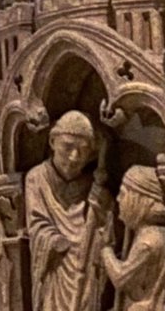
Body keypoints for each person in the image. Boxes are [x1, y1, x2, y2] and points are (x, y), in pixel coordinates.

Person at [25, 111, 111, 311]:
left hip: (87, 260)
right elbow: (36, 225)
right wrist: (54, 240)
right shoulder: (37, 178)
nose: (74, 157)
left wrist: (103, 206)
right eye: (67, 147)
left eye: (82, 150)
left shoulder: (92, 184)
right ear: (53, 141)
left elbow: (110, 230)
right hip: (55, 265)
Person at [101, 166, 165, 310]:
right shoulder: (162, 232)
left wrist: (106, 251)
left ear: (138, 199)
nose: (118, 199)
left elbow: (121, 278)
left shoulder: (148, 241)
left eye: (123, 195)